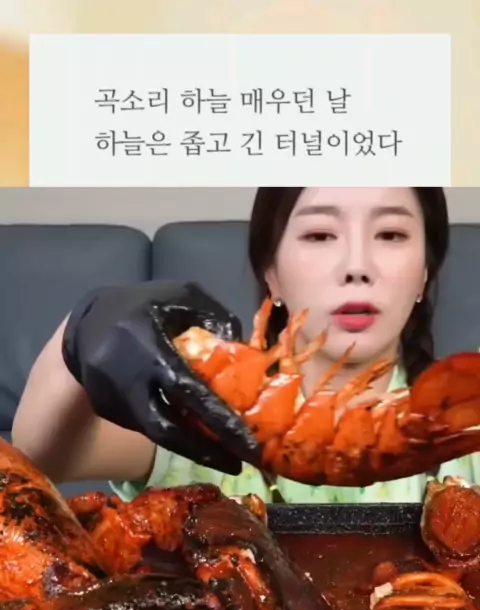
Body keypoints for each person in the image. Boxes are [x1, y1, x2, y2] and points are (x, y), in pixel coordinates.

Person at [12, 186, 480, 504]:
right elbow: (43, 454)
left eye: (391, 234)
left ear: (425, 273)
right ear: (270, 272)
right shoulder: (202, 405)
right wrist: (80, 331)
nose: (357, 266)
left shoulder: (467, 419)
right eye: (320, 234)